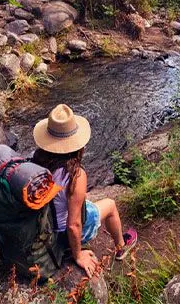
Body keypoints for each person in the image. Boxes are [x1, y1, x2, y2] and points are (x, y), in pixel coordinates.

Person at [32, 104, 137, 277]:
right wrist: (78, 255)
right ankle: (121, 247)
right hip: (61, 235)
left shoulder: (35, 162)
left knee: (82, 204)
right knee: (110, 205)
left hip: (43, 227)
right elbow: (73, 225)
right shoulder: (76, 175)